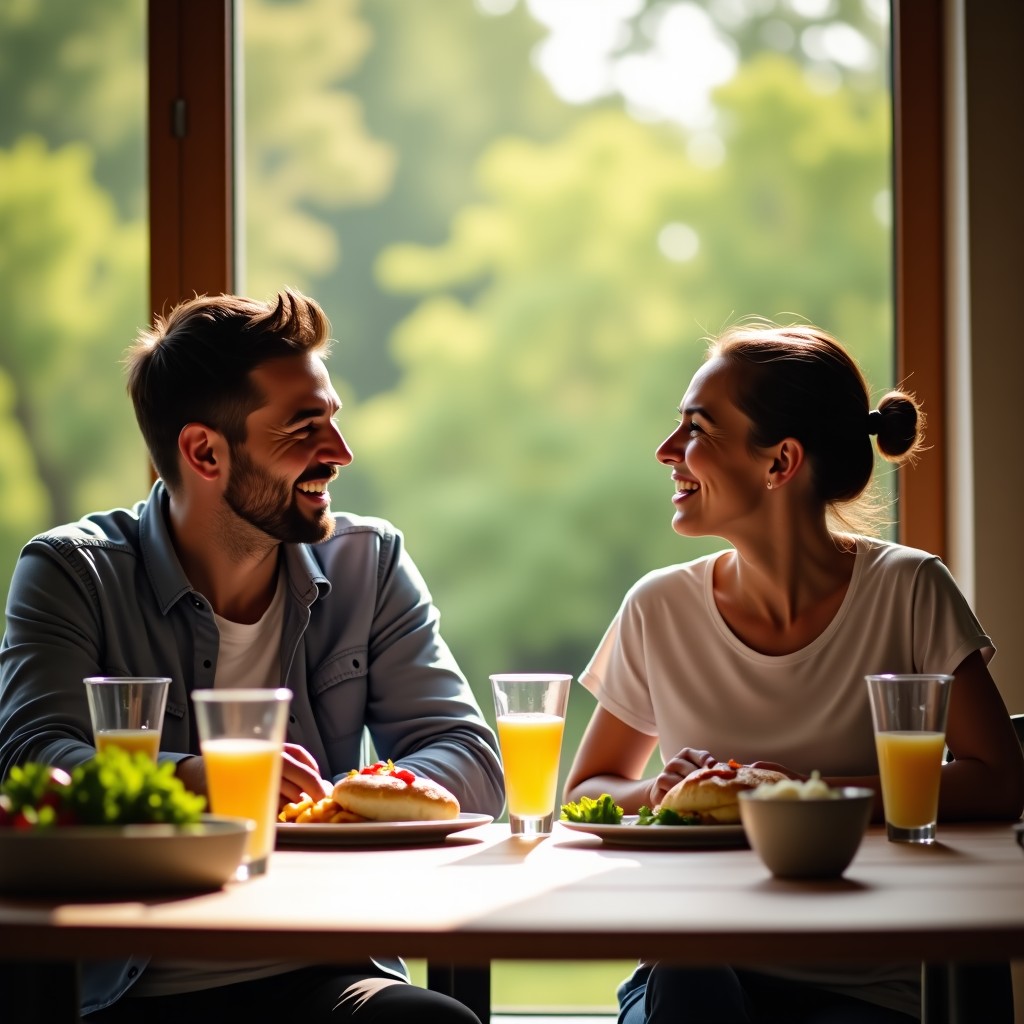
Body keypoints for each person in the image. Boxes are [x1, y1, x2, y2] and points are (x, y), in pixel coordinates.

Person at [0, 289, 504, 1023]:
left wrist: (331, 805)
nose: (340, 452)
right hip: (125, 990)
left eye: (332, 418)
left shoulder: (371, 563)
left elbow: (470, 760)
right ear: (205, 451)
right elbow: (29, 760)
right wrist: (202, 783)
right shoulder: (72, 573)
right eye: (305, 429)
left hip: (329, 976)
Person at [562, 322, 1024, 1024]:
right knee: (687, 980)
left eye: (696, 428)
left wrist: (802, 801)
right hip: (697, 972)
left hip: (867, 986)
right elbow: (585, 792)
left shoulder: (908, 590)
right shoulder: (659, 607)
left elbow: (1001, 778)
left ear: (779, 462)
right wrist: (658, 791)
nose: (666, 452)